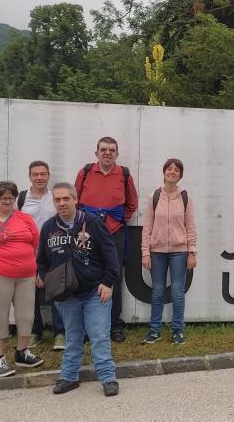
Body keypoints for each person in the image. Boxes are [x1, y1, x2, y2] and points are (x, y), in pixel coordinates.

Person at [37, 182, 120, 396]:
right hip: (66, 296)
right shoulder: (48, 228)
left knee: (99, 335)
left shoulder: (92, 223)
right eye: (57, 199)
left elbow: (111, 254)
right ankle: (69, 377)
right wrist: (50, 281)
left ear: (75, 200)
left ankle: (108, 378)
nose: (62, 203)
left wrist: (108, 282)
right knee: (72, 337)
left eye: (66, 198)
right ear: (53, 202)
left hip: (95, 291)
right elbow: (42, 262)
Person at [0, 181, 44, 377]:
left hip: (27, 276)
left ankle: (22, 352)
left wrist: (39, 270)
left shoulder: (25, 219)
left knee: (26, 316)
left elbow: (36, 246)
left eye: (11, 197)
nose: (7, 201)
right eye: (3, 197)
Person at [75, 137, 138, 342]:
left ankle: (115, 326)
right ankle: (85, 328)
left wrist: (117, 220)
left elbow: (131, 204)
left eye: (112, 150)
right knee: (85, 276)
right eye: (103, 150)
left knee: (114, 277)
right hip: (87, 233)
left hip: (114, 232)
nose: (107, 153)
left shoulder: (124, 174)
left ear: (117, 154)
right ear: (97, 153)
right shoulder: (84, 173)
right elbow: (76, 201)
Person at [141, 158, 197, 345]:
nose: (172, 172)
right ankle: (154, 331)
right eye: (169, 169)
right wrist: (145, 252)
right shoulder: (154, 197)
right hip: (157, 252)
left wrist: (192, 252)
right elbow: (147, 227)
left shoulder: (186, 198)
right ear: (164, 172)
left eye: (176, 170)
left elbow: (190, 227)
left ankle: (177, 331)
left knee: (178, 293)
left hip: (179, 252)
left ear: (180, 175)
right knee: (157, 291)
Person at [19, 160, 65, 350]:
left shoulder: (54, 197)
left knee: (57, 291)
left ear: (48, 175)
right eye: (35, 174)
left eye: (43, 174)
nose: (39, 177)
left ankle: (60, 333)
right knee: (30, 295)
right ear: (29, 176)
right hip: (27, 252)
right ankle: (35, 332)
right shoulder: (21, 199)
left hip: (53, 251)